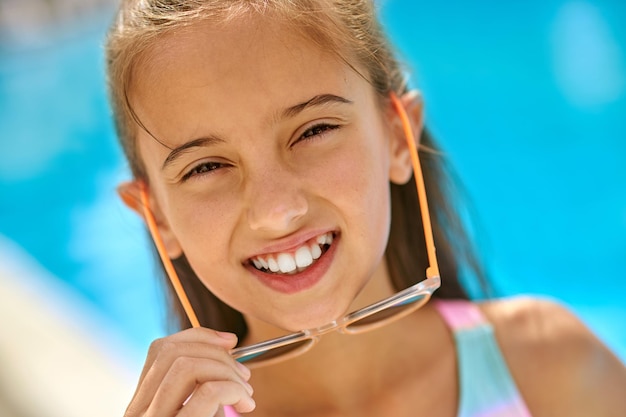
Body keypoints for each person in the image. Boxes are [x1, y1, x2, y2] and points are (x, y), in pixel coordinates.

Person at [105, 1, 626, 416]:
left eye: (314, 131)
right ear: (156, 215)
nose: (276, 211)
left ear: (399, 136)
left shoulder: (551, 366)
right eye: (206, 168)